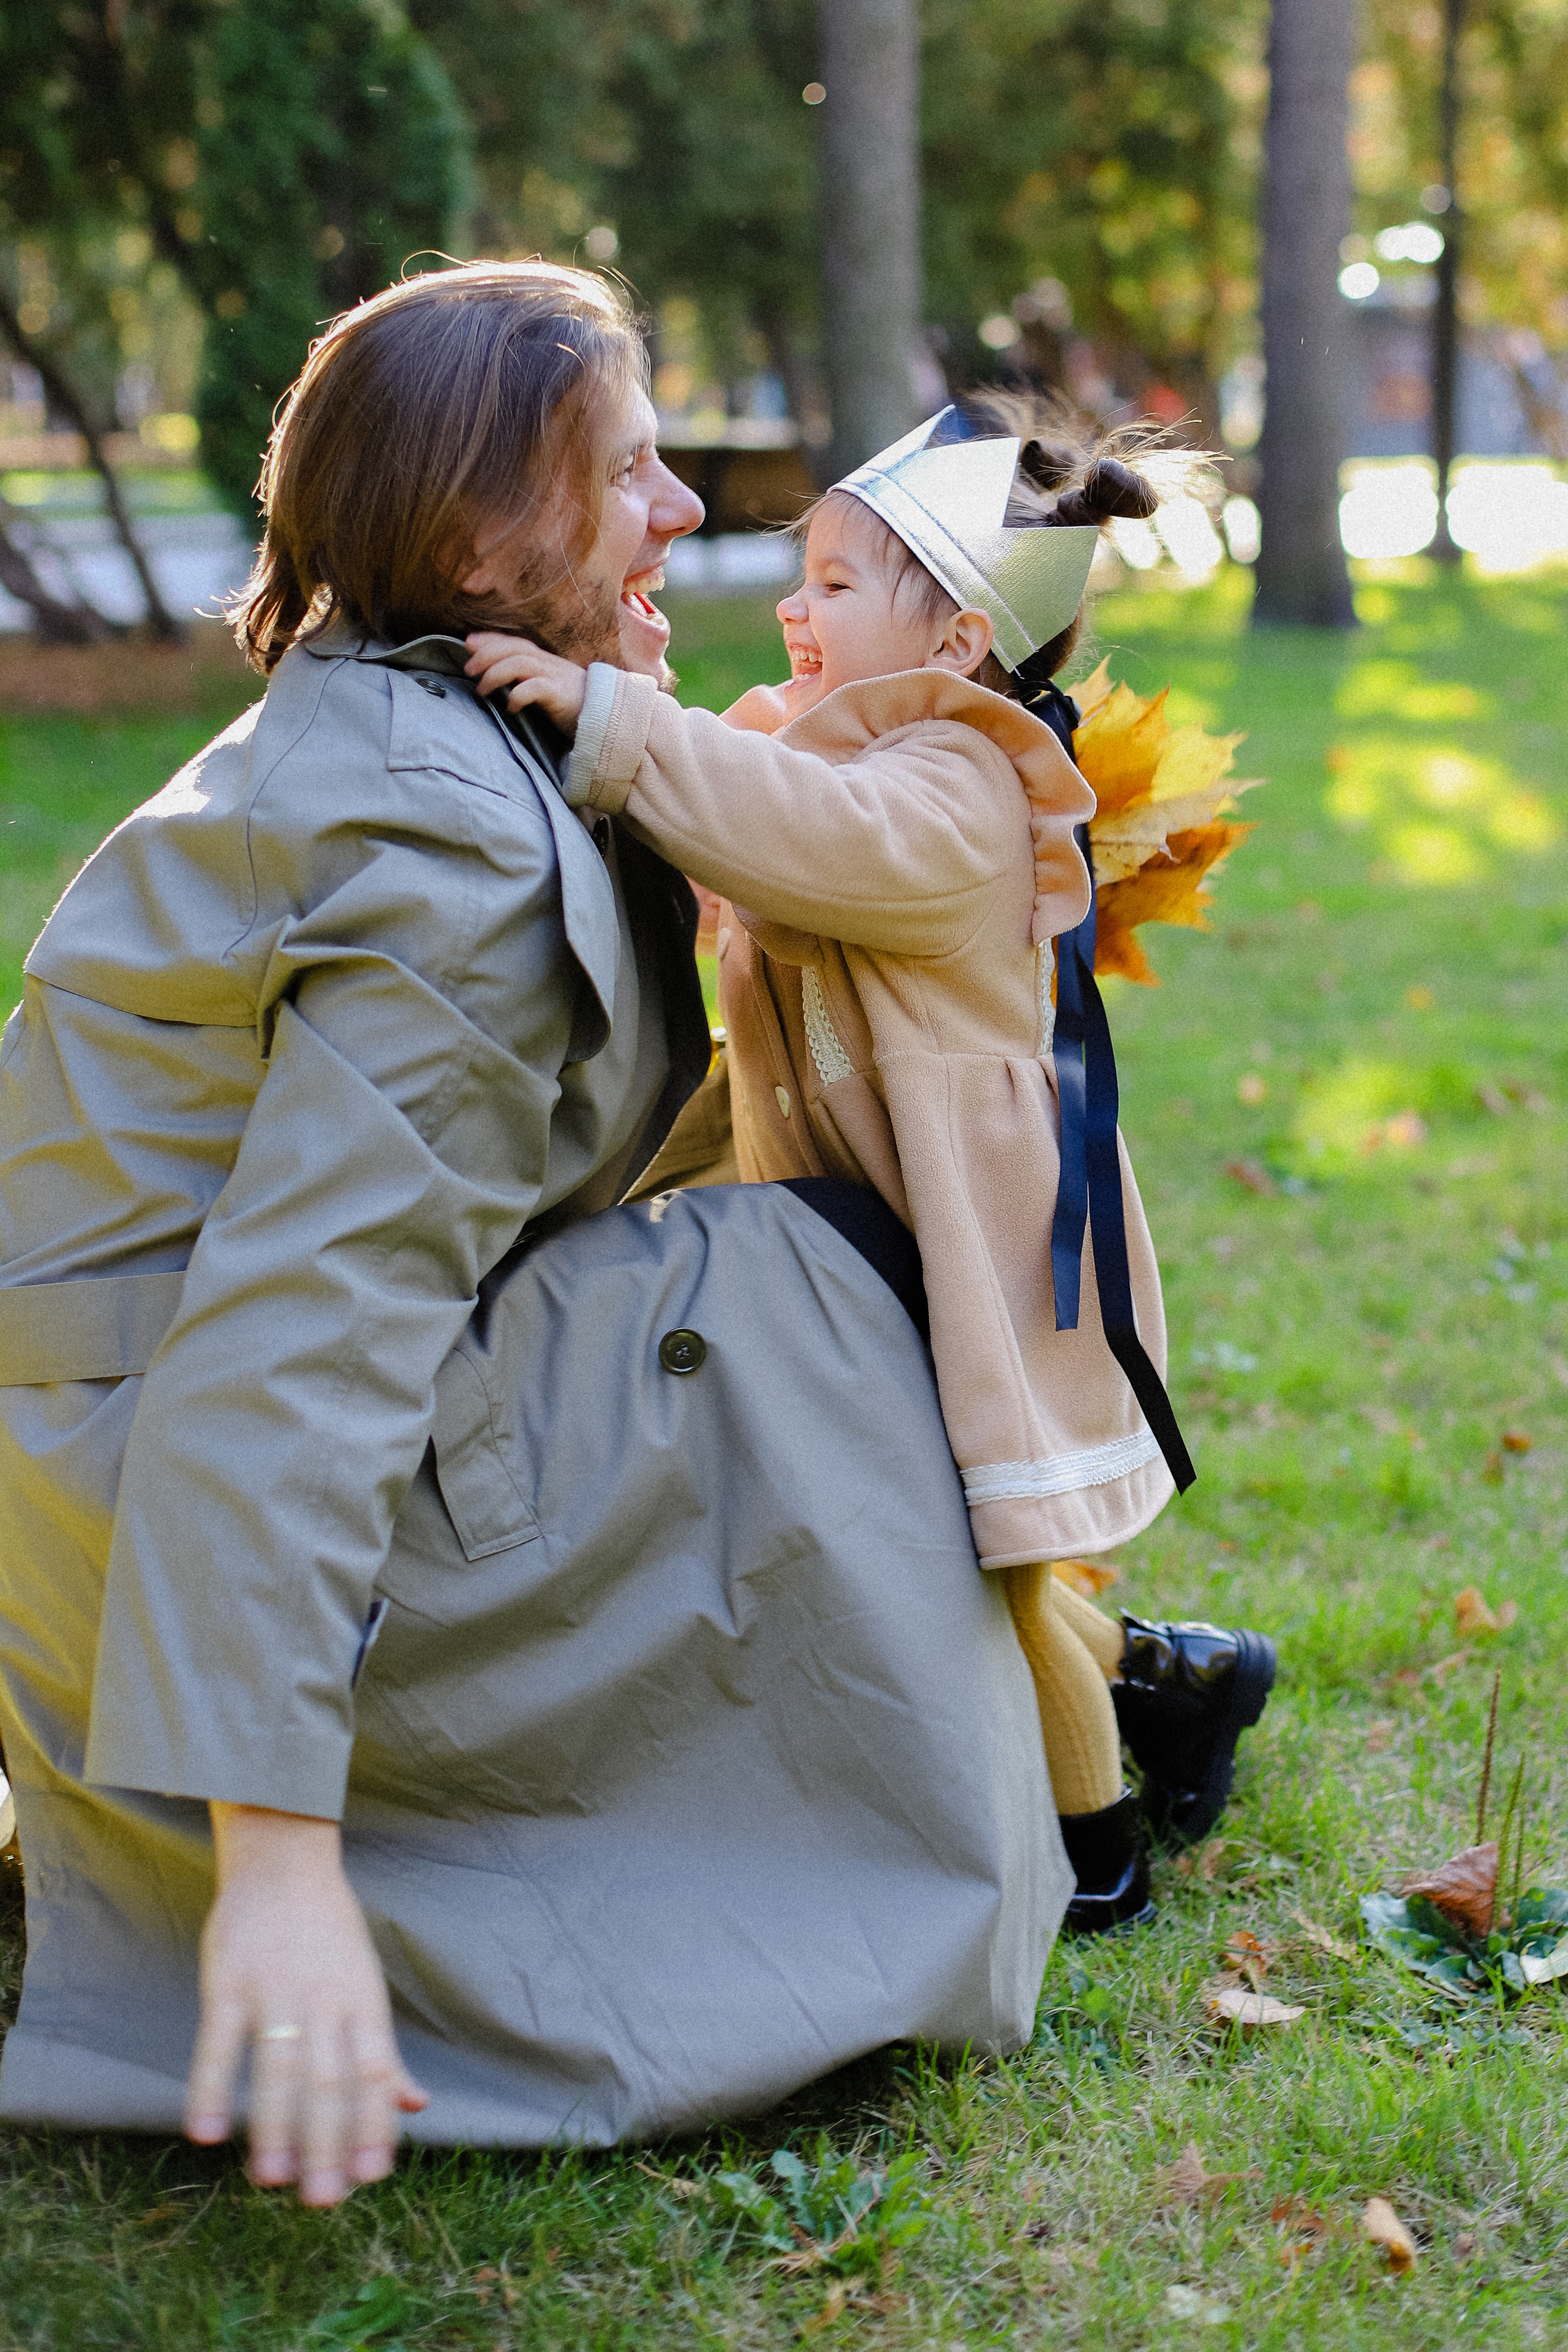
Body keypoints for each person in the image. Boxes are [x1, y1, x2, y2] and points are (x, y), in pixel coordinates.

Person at [0, 263, 1072, 2204]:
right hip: (175, 1484)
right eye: (634, 472)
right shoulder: (451, 870)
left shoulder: (420, 723)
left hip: (97, 1490)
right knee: (798, 1296)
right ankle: (867, 1848)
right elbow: (294, 1346)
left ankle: (999, 1710)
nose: (685, 513)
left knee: (722, 1290)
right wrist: (278, 1860)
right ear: (482, 546)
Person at [465, 393, 1276, 1936]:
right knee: (944, 1538)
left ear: (959, 645)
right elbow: (766, 830)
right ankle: (1181, 1684)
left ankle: (1090, 1850)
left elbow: (798, 835)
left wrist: (610, 715)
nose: (790, 604)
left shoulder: (958, 796)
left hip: (974, 1259)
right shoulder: (856, 758)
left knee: (994, 1574)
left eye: (834, 586)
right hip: (881, 1242)